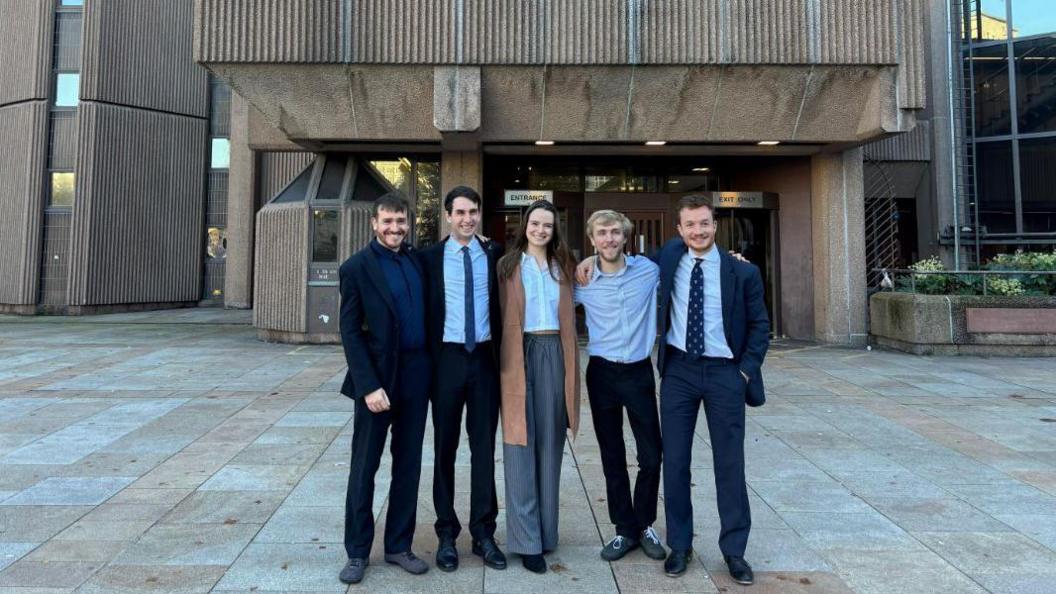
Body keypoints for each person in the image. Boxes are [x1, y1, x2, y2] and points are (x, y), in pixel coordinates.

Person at [655, 195, 769, 584]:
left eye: (704, 223)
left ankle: (734, 551)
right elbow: (621, 257)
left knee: (730, 464)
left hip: (725, 374)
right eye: (690, 225)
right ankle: (680, 546)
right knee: (676, 462)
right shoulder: (669, 258)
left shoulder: (744, 272)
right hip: (679, 371)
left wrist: (744, 373)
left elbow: (760, 328)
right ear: (679, 230)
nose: (698, 231)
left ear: (715, 225)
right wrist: (587, 262)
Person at [337, 192, 432, 585]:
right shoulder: (356, 267)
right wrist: (369, 386)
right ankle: (357, 552)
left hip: (416, 376)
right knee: (365, 467)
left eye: (401, 221)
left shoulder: (416, 260)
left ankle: (398, 545)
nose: (395, 228)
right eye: (387, 222)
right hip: (377, 381)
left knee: (408, 466)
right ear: (374, 224)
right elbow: (349, 331)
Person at [419, 186, 507, 572]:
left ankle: (484, 533)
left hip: (485, 359)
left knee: (485, 448)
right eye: (460, 212)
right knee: (445, 450)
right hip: (448, 361)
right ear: (448, 216)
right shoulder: (428, 259)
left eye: (473, 211)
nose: (468, 219)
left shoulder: (495, 254)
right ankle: (446, 534)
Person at [572, 210, 666, 563]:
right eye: (602, 233)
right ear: (592, 240)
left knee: (651, 455)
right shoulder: (582, 279)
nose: (609, 239)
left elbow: (680, 255)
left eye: (615, 232)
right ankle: (624, 529)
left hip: (639, 373)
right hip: (601, 375)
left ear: (625, 237)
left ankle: (644, 524)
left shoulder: (648, 271)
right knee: (612, 456)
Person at [495, 199, 580, 574]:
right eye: (535, 223)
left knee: (550, 443)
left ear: (554, 229)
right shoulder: (507, 266)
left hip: (554, 352)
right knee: (519, 443)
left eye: (547, 224)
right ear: (524, 224)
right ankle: (525, 540)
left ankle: (546, 535)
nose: (540, 230)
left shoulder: (567, 266)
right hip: (518, 353)